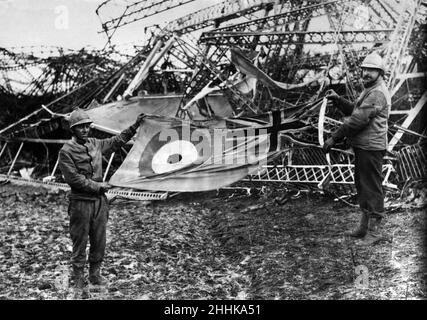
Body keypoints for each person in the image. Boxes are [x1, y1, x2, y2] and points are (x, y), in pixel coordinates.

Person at [58, 108, 146, 289]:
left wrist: (135, 126)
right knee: (80, 240)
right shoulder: (66, 151)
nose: (84, 130)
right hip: (80, 202)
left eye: (86, 126)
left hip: (99, 203)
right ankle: (78, 277)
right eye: (80, 127)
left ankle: (95, 275)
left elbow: (117, 141)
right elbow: (73, 178)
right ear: (72, 129)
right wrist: (99, 186)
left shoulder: (95, 143)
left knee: (99, 239)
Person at [323, 52, 391, 245]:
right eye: (365, 69)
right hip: (364, 146)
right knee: (363, 185)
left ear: (380, 73)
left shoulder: (377, 93)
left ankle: (374, 233)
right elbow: (356, 110)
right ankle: (364, 227)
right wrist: (337, 99)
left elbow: (357, 120)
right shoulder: (370, 89)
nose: (366, 73)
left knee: (371, 187)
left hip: (371, 147)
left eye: (372, 70)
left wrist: (334, 138)